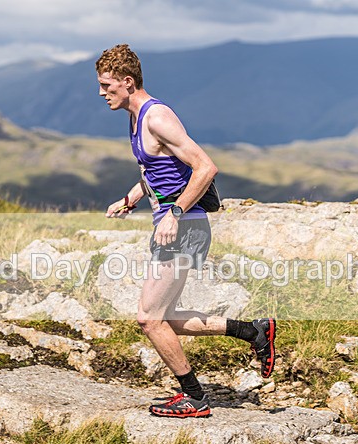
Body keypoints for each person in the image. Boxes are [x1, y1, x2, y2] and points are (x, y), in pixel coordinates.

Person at [96, 44, 276, 418]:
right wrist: (130, 198)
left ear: (128, 82)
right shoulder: (135, 118)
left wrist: (174, 212)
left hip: (184, 228)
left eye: (107, 85)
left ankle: (195, 397)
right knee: (162, 315)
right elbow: (158, 171)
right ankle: (253, 331)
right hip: (174, 226)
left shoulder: (157, 117)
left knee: (150, 318)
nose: (102, 93)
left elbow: (205, 167)